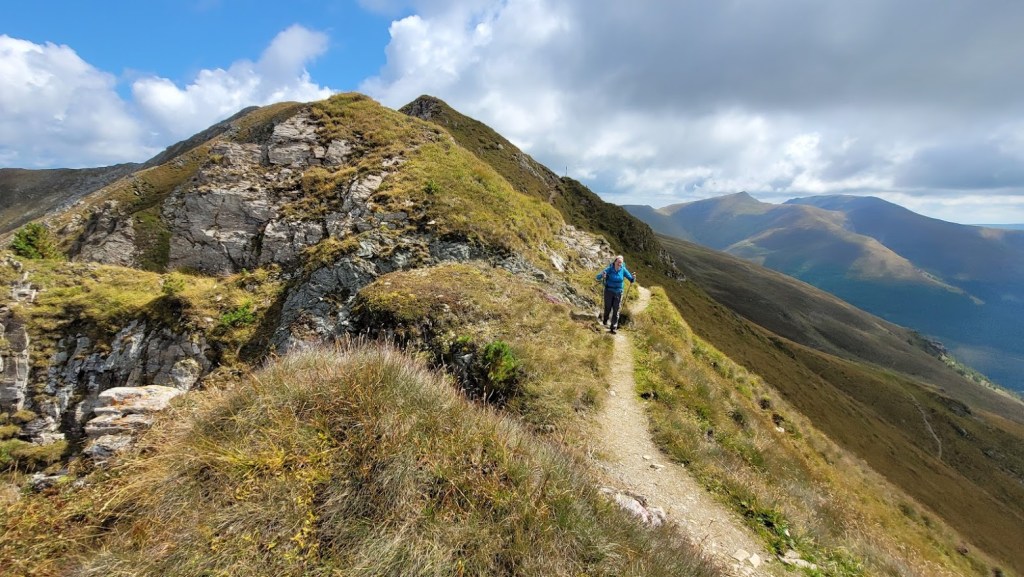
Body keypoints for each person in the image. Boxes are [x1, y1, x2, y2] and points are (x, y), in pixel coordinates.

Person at [596, 255, 636, 334]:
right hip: (608, 291)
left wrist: (633, 278)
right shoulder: (609, 269)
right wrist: (602, 275)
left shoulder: (623, 270)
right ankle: (605, 320)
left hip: (619, 292)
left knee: (616, 309)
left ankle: (613, 327)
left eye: (621, 262)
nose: (619, 264)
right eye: (618, 262)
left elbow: (631, 279)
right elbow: (598, 277)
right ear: (615, 262)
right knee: (608, 308)